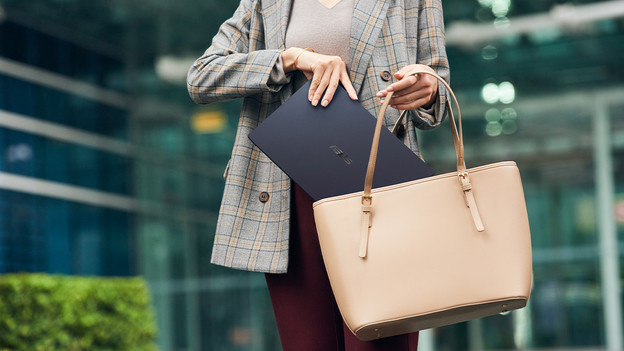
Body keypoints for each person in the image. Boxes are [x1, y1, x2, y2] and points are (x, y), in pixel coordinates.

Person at [187, 0, 449, 349]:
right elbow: (202, 76)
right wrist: (290, 58)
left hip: (381, 189)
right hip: (289, 197)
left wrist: (427, 87)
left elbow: (437, 85)